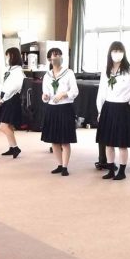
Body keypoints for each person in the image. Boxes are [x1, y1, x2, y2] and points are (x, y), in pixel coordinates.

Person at [96, 41, 130, 180]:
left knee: (122, 143)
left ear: (124, 53)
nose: (117, 54)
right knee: (108, 143)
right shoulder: (106, 70)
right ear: (110, 53)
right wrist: (100, 111)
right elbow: (101, 91)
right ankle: (110, 170)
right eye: (114, 51)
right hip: (108, 108)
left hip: (122, 108)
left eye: (120, 51)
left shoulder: (129, 70)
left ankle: (122, 171)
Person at [41, 48, 79, 176]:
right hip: (52, 109)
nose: (57, 57)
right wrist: (45, 96)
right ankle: (59, 164)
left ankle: (65, 166)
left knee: (65, 140)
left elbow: (75, 91)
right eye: (54, 55)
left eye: (58, 55)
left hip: (65, 108)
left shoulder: (69, 73)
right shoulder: (47, 75)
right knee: (54, 140)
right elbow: (45, 93)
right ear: (49, 59)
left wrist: (64, 94)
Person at [0, 47, 25, 158]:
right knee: (8, 125)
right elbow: (4, 84)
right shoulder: (9, 69)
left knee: (3, 126)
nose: (6, 58)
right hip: (6, 96)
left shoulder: (18, 71)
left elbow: (14, 87)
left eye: (8, 56)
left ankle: (16, 147)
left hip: (11, 98)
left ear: (13, 56)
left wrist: (3, 99)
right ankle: (12, 147)